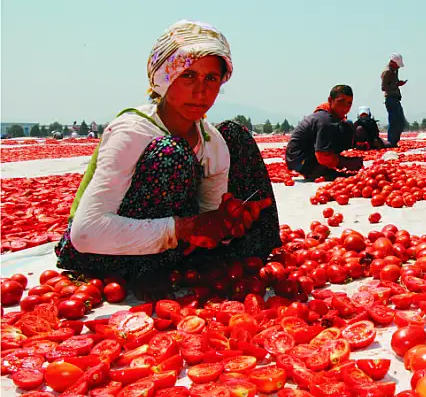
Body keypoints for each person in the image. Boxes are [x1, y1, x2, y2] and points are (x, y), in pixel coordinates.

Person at [55, 20, 281, 300]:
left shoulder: (212, 141)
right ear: (164, 76)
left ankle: (176, 262)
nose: (201, 91)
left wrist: (227, 223)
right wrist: (190, 227)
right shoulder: (132, 131)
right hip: (101, 251)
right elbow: (86, 233)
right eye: (188, 76)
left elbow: (208, 217)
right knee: (171, 153)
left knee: (235, 133)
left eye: (211, 78)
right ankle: (149, 270)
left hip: (171, 247)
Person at [285, 85, 364, 181]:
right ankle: (313, 170)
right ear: (330, 100)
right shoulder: (326, 120)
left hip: (300, 156)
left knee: (347, 126)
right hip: (299, 161)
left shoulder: (330, 115)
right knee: (344, 128)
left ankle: (320, 167)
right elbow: (322, 156)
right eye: (341, 101)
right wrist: (346, 163)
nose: (345, 107)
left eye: (349, 103)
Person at [382, 53, 407, 147]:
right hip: (390, 99)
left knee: (400, 121)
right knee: (394, 121)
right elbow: (384, 87)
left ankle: (394, 141)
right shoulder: (387, 72)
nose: (399, 67)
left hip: (395, 98)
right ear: (393, 62)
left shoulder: (394, 70)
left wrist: (398, 83)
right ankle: (391, 142)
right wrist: (396, 84)